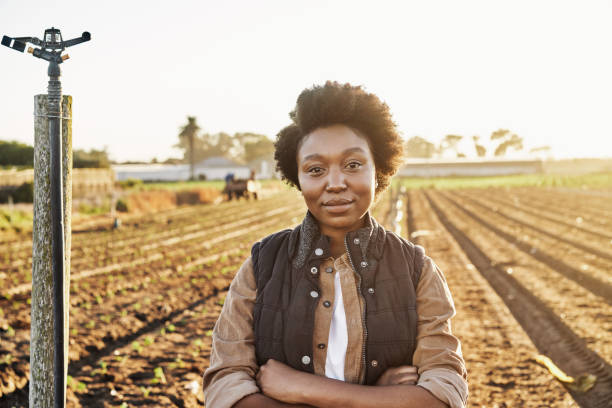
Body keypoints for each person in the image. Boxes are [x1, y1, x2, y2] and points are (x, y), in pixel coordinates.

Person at [203, 81, 468, 408]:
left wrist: (299, 388)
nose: (336, 183)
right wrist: (380, 398)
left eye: (353, 165)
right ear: (297, 177)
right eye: (316, 169)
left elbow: (444, 396)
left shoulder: (417, 270)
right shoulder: (262, 266)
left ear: (378, 169)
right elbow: (226, 385)